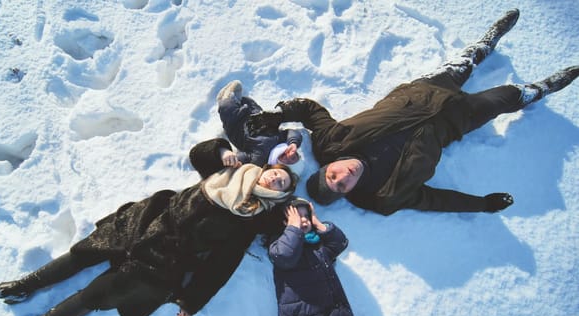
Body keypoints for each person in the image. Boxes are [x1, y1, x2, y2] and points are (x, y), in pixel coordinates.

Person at [0, 137, 297, 316]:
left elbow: (222, 265)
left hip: (165, 258)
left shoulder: (247, 220)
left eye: (281, 184)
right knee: (82, 254)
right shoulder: (232, 169)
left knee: (96, 296)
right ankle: (18, 287)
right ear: (269, 167)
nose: (275, 179)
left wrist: (192, 300)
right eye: (277, 173)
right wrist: (222, 150)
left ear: (278, 194)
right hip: (147, 219)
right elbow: (199, 154)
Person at [248, 8, 579, 216]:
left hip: (421, 93)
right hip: (454, 121)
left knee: (464, 64)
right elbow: (434, 200)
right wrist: (481, 204)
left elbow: (309, 109)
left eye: (333, 175)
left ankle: (486, 42)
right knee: (505, 97)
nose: (344, 175)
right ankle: (541, 89)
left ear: (329, 165)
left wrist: (278, 116)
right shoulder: (385, 195)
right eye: (342, 186)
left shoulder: (332, 140)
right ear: (349, 193)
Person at [268, 197, 359, 316]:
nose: (303, 220)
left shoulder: (318, 247)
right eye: (296, 217)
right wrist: (294, 229)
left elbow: (340, 243)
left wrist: (318, 223)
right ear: (285, 222)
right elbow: (285, 256)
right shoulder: (279, 245)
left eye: (306, 216)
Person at [216, 80, 305, 176]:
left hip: (238, 127)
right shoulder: (283, 142)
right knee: (249, 103)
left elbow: (244, 159)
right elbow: (292, 133)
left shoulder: (261, 160)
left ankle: (226, 99)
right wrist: (293, 143)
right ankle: (239, 100)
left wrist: (234, 160)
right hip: (257, 118)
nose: (289, 155)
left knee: (227, 109)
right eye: (294, 156)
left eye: (290, 161)